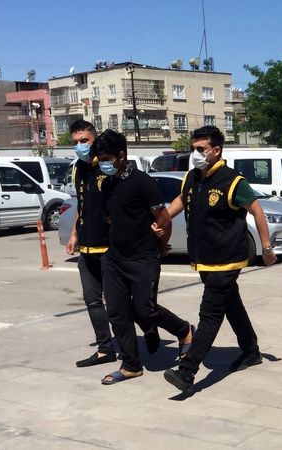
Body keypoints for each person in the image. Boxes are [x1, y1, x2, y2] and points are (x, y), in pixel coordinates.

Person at [163, 126, 277, 395]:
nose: (195, 153)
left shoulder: (232, 181)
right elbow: (180, 200)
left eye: (201, 149)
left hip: (226, 260)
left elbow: (257, 212)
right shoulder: (191, 178)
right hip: (203, 258)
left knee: (210, 314)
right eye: (193, 148)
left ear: (216, 150)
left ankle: (187, 371)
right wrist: (161, 223)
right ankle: (251, 350)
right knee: (231, 305)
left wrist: (266, 247)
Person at [93, 130, 193, 385]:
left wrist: (162, 244)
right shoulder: (107, 183)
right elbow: (111, 216)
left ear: (120, 156)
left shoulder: (142, 182)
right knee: (116, 312)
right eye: (100, 158)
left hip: (143, 257)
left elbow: (164, 218)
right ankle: (131, 365)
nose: (103, 163)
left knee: (145, 309)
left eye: (106, 158)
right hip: (114, 259)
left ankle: (184, 331)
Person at [64, 120, 118, 368]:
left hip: (110, 247)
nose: (80, 146)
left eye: (84, 141)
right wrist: (75, 233)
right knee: (92, 300)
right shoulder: (78, 168)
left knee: (121, 303)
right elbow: (82, 205)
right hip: (86, 247)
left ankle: (172, 331)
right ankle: (105, 348)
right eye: (75, 142)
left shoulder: (107, 166)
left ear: (94, 140)